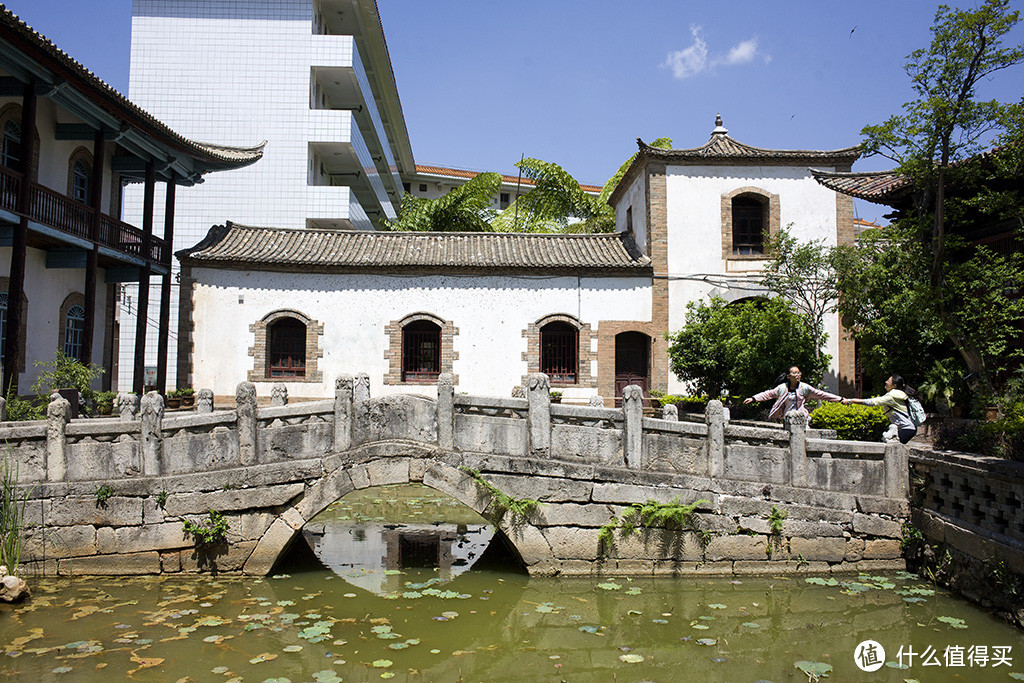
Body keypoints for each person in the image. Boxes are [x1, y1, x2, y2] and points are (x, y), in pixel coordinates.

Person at [743, 366, 843, 420]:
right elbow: (768, 394)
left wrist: (840, 399)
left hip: (802, 419)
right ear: (788, 376)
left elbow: (821, 394)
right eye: (794, 373)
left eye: (798, 373)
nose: (797, 375)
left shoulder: (804, 388)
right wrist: (754, 398)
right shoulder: (782, 388)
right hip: (787, 419)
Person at [843, 374, 918, 444]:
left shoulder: (891, 397)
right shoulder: (898, 394)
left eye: (888, 381)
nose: (886, 382)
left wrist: (851, 400)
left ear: (894, 385)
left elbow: (871, 402)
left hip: (906, 428)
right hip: (906, 428)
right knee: (890, 446)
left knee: (893, 448)